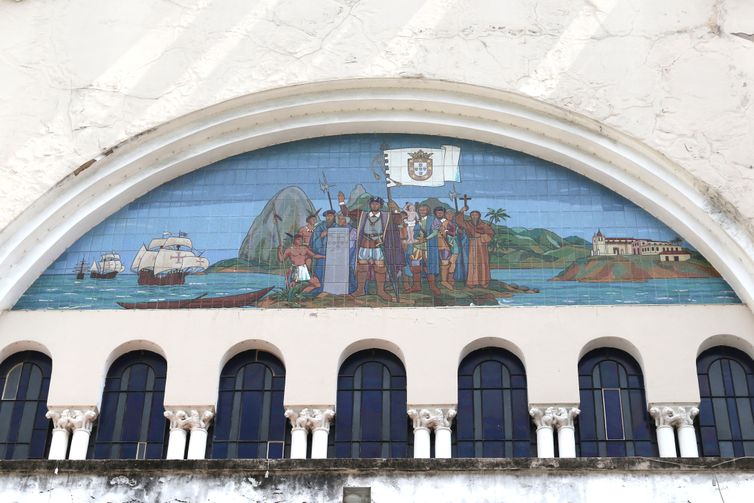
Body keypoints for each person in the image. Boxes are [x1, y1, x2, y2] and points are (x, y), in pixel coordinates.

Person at [338, 191, 404, 302]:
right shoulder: (362, 214)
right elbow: (346, 213)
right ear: (370, 205)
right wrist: (341, 202)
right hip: (365, 244)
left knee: (380, 269)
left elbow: (398, 220)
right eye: (373, 203)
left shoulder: (386, 216)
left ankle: (381, 291)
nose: (374, 205)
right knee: (362, 268)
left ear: (381, 205)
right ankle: (360, 290)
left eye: (377, 204)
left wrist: (395, 209)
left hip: (379, 245)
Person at [455, 205, 494, 288]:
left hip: (481, 247)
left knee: (482, 263)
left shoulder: (484, 225)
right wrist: (462, 211)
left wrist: (480, 236)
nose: (474, 217)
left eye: (476, 215)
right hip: (471, 245)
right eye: (472, 215)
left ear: (479, 216)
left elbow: (490, 234)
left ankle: (483, 282)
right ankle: (471, 282)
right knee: (472, 264)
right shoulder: (468, 224)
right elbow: (459, 221)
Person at [410, 204, 442, 295]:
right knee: (415, 266)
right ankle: (416, 286)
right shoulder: (417, 221)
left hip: (428, 246)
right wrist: (417, 238)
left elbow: (435, 232)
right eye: (420, 210)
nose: (422, 211)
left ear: (428, 210)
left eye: (424, 210)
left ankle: (432, 286)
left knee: (429, 266)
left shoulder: (433, 219)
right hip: (417, 247)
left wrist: (426, 239)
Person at [309, 210, 337, 293]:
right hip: (322, 254)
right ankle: (320, 289)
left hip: (334, 255)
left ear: (334, 217)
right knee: (320, 272)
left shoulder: (337, 227)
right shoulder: (319, 227)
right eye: (327, 216)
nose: (329, 218)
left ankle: (332, 290)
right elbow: (313, 243)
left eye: (331, 216)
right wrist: (321, 236)